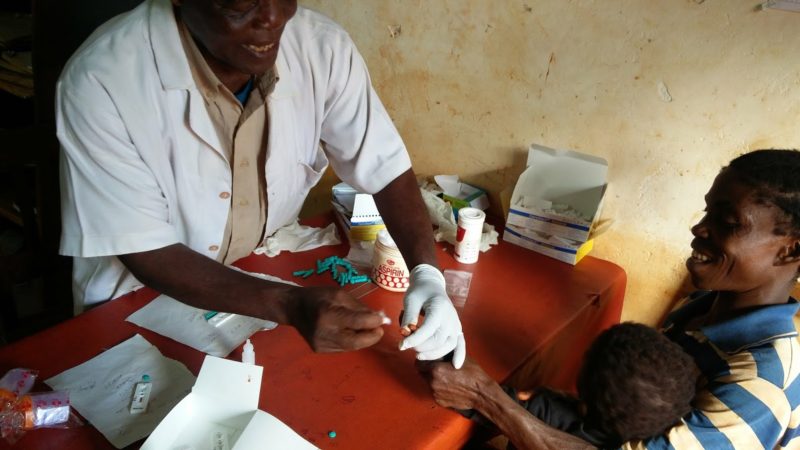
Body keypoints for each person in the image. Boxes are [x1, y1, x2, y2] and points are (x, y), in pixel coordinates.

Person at [57, 0, 465, 367]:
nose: (272, 18)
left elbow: (385, 166)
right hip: (135, 303)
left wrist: (427, 273)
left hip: (250, 281)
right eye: (241, 2)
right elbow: (144, 249)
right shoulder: (102, 79)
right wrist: (289, 305)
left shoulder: (321, 48)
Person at [425, 149, 800, 449]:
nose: (699, 228)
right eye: (707, 211)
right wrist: (512, 405)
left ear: (790, 250)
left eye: (729, 222)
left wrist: (487, 398)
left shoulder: (762, 385)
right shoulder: (705, 306)